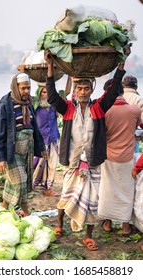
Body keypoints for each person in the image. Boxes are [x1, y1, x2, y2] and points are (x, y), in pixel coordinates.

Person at [44, 46, 131, 251]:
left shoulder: (99, 107)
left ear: (92, 90)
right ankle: (59, 224)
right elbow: (51, 96)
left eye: (86, 89)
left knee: (93, 200)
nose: (82, 92)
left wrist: (122, 61)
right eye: (79, 89)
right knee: (66, 194)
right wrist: (49, 65)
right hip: (73, 162)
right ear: (75, 91)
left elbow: (114, 86)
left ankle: (88, 235)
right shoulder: (67, 109)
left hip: (92, 162)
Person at [0, 72, 47, 216]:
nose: (26, 91)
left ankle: (3, 208)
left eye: (28, 88)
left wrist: (41, 148)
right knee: (21, 181)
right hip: (12, 151)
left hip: (26, 150)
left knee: (12, 182)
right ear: (15, 87)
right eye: (23, 88)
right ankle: (27, 213)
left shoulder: (28, 104)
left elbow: (34, 128)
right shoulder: (3, 105)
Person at [97, 79, 141, 235]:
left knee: (108, 190)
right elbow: (139, 127)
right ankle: (125, 226)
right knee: (126, 190)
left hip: (108, 157)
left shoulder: (104, 111)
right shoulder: (135, 110)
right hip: (127, 158)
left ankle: (108, 223)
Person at [33, 83, 60, 197]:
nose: (46, 95)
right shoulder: (35, 105)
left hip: (52, 137)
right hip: (40, 139)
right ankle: (31, 185)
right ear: (39, 94)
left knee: (52, 164)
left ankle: (48, 188)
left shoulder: (54, 105)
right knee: (36, 164)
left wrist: (70, 77)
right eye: (44, 92)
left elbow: (67, 92)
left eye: (48, 92)